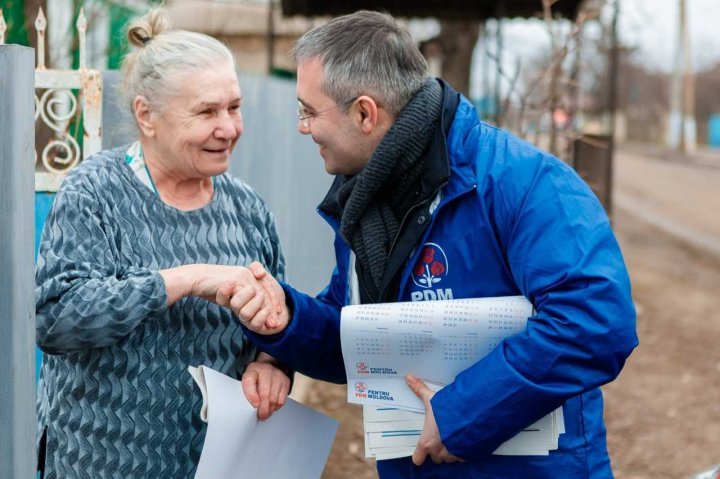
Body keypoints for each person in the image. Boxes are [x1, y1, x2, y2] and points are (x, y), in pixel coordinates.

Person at [219, 10, 639, 479]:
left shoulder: (525, 183)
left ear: (364, 112)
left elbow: (595, 321)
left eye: (309, 111)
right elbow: (363, 338)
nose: (302, 127)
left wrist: (463, 413)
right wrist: (286, 323)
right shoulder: (365, 200)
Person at [35, 9, 290, 478]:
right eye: (207, 112)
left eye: (234, 107)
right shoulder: (94, 193)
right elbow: (56, 319)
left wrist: (273, 365)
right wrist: (187, 279)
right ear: (146, 116)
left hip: (217, 465)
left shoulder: (248, 211)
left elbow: (276, 327)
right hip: (100, 462)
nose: (229, 128)